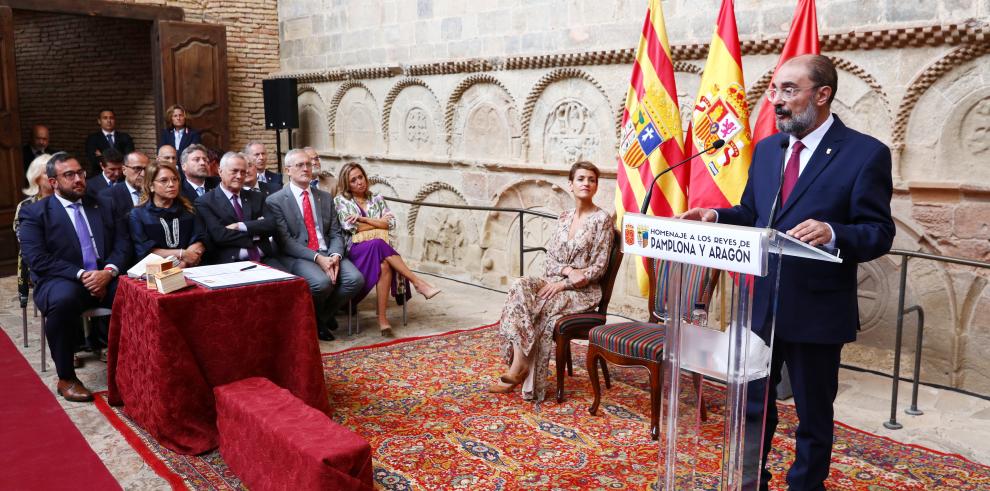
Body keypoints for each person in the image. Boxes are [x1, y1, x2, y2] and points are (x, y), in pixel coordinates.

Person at [679, 55, 894, 491]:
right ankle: (748, 480)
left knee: (813, 415)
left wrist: (835, 231)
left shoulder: (865, 154)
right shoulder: (766, 150)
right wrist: (715, 216)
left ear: (822, 94)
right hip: (760, 303)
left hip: (816, 310)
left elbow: (879, 232)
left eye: (789, 91)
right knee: (752, 404)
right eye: (775, 90)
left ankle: (805, 486)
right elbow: (752, 213)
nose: (776, 101)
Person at [489, 161, 613, 401]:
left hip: (584, 291)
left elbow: (598, 268)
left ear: (596, 186)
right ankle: (520, 360)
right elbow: (551, 260)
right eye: (581, 179)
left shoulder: (602, 220)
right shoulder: (564, 217)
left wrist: (565, 283)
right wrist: (566, 271)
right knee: (519, 287)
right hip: (555, 280)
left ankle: (519, 370)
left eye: (591, 179)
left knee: (542, 306)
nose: (586, 183)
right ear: (571, 184)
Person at [18, 152, 130, 402]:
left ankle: (136, 367)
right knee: (63, 301)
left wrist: (108, 272)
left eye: (80, 173)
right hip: (62, 278)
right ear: (53, 181)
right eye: (69, 175)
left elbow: (123, 243)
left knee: (139, 293)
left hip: (105, 275)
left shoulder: (103, 203)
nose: (78, 179)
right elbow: (37, 259)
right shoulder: (35, 213)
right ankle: (66, 378)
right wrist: (82, 275)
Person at [266, 149, 364, 342]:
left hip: (327, 251)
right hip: (299, 255)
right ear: (288, 170)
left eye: (308, 164)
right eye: (300, 165)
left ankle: (320, 318)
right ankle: (318, 321)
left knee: (355, 279)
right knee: (321, 283)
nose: (306, 168)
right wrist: (318, 259)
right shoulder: (275, 201)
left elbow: (335, 232)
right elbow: (286, 242)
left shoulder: (325, 197)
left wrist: (335, 255)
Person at [334, 162, 440, 337]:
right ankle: (418, 283)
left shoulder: (377, 198)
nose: (359, 182)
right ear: (347, 184)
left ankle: (383, 319)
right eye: (353, 180)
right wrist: (377, 223)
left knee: (384, 265)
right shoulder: (340, 201)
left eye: (360, 177)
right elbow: (352, 228)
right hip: (355, 250)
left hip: (379, 249)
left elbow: (390, 224)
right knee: (378, 243)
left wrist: (362, 219)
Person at [196, 151, 285, 269]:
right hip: (231, 263)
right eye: (234, 171)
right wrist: (257, 231)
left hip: (265, 259)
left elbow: (272, 225)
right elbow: (219, 236)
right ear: (220, 172)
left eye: (243, 172)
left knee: (293, 282)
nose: (239, 176)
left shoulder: (256, 197)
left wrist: (240, 226)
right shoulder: (205, 202)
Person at [129, 160, 206, 267]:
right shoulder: (138, 214)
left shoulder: (189, 209)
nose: (171, 184)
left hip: (190, 268)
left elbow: (200, 239)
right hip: (155, 271)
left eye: (175, 179)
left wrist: (184, 263)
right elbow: (145, 249)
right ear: (151, 185)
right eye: (164, 180)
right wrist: (182, 254)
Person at [102, 151, 149, 224]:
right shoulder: (108, 196)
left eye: (146, 169)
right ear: (124, 170)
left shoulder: (155, 192)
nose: (143, 174)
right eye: (137, 168)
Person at [84, 109, 134, 173]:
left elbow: (129, 158)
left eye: (111, 118)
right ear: (99, 121)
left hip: (122, 174)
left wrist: (102, 156)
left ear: (115, 120)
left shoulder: (125, 137)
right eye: (105, 118)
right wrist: (120, 156)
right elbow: (93, 160)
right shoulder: (92, 139)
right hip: (100, 174)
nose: (109, 121)